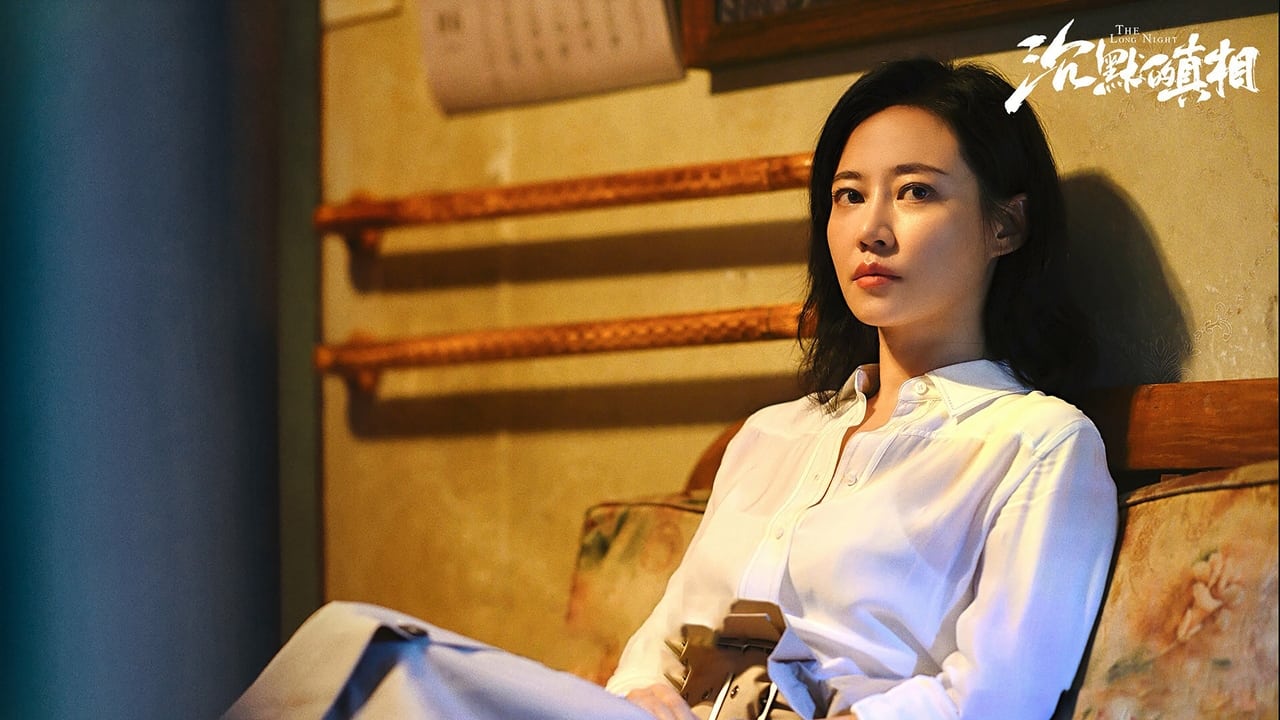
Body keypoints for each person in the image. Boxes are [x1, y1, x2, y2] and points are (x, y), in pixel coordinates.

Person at [223, 57, 1117, 720]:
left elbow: (998, 698)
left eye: (916, 192)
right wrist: (639, 696)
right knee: (367, 652)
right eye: (848, 196)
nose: (870, 230)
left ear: (1005, 225)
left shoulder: (1037, 444)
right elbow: (657, 643)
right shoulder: (772, 435)